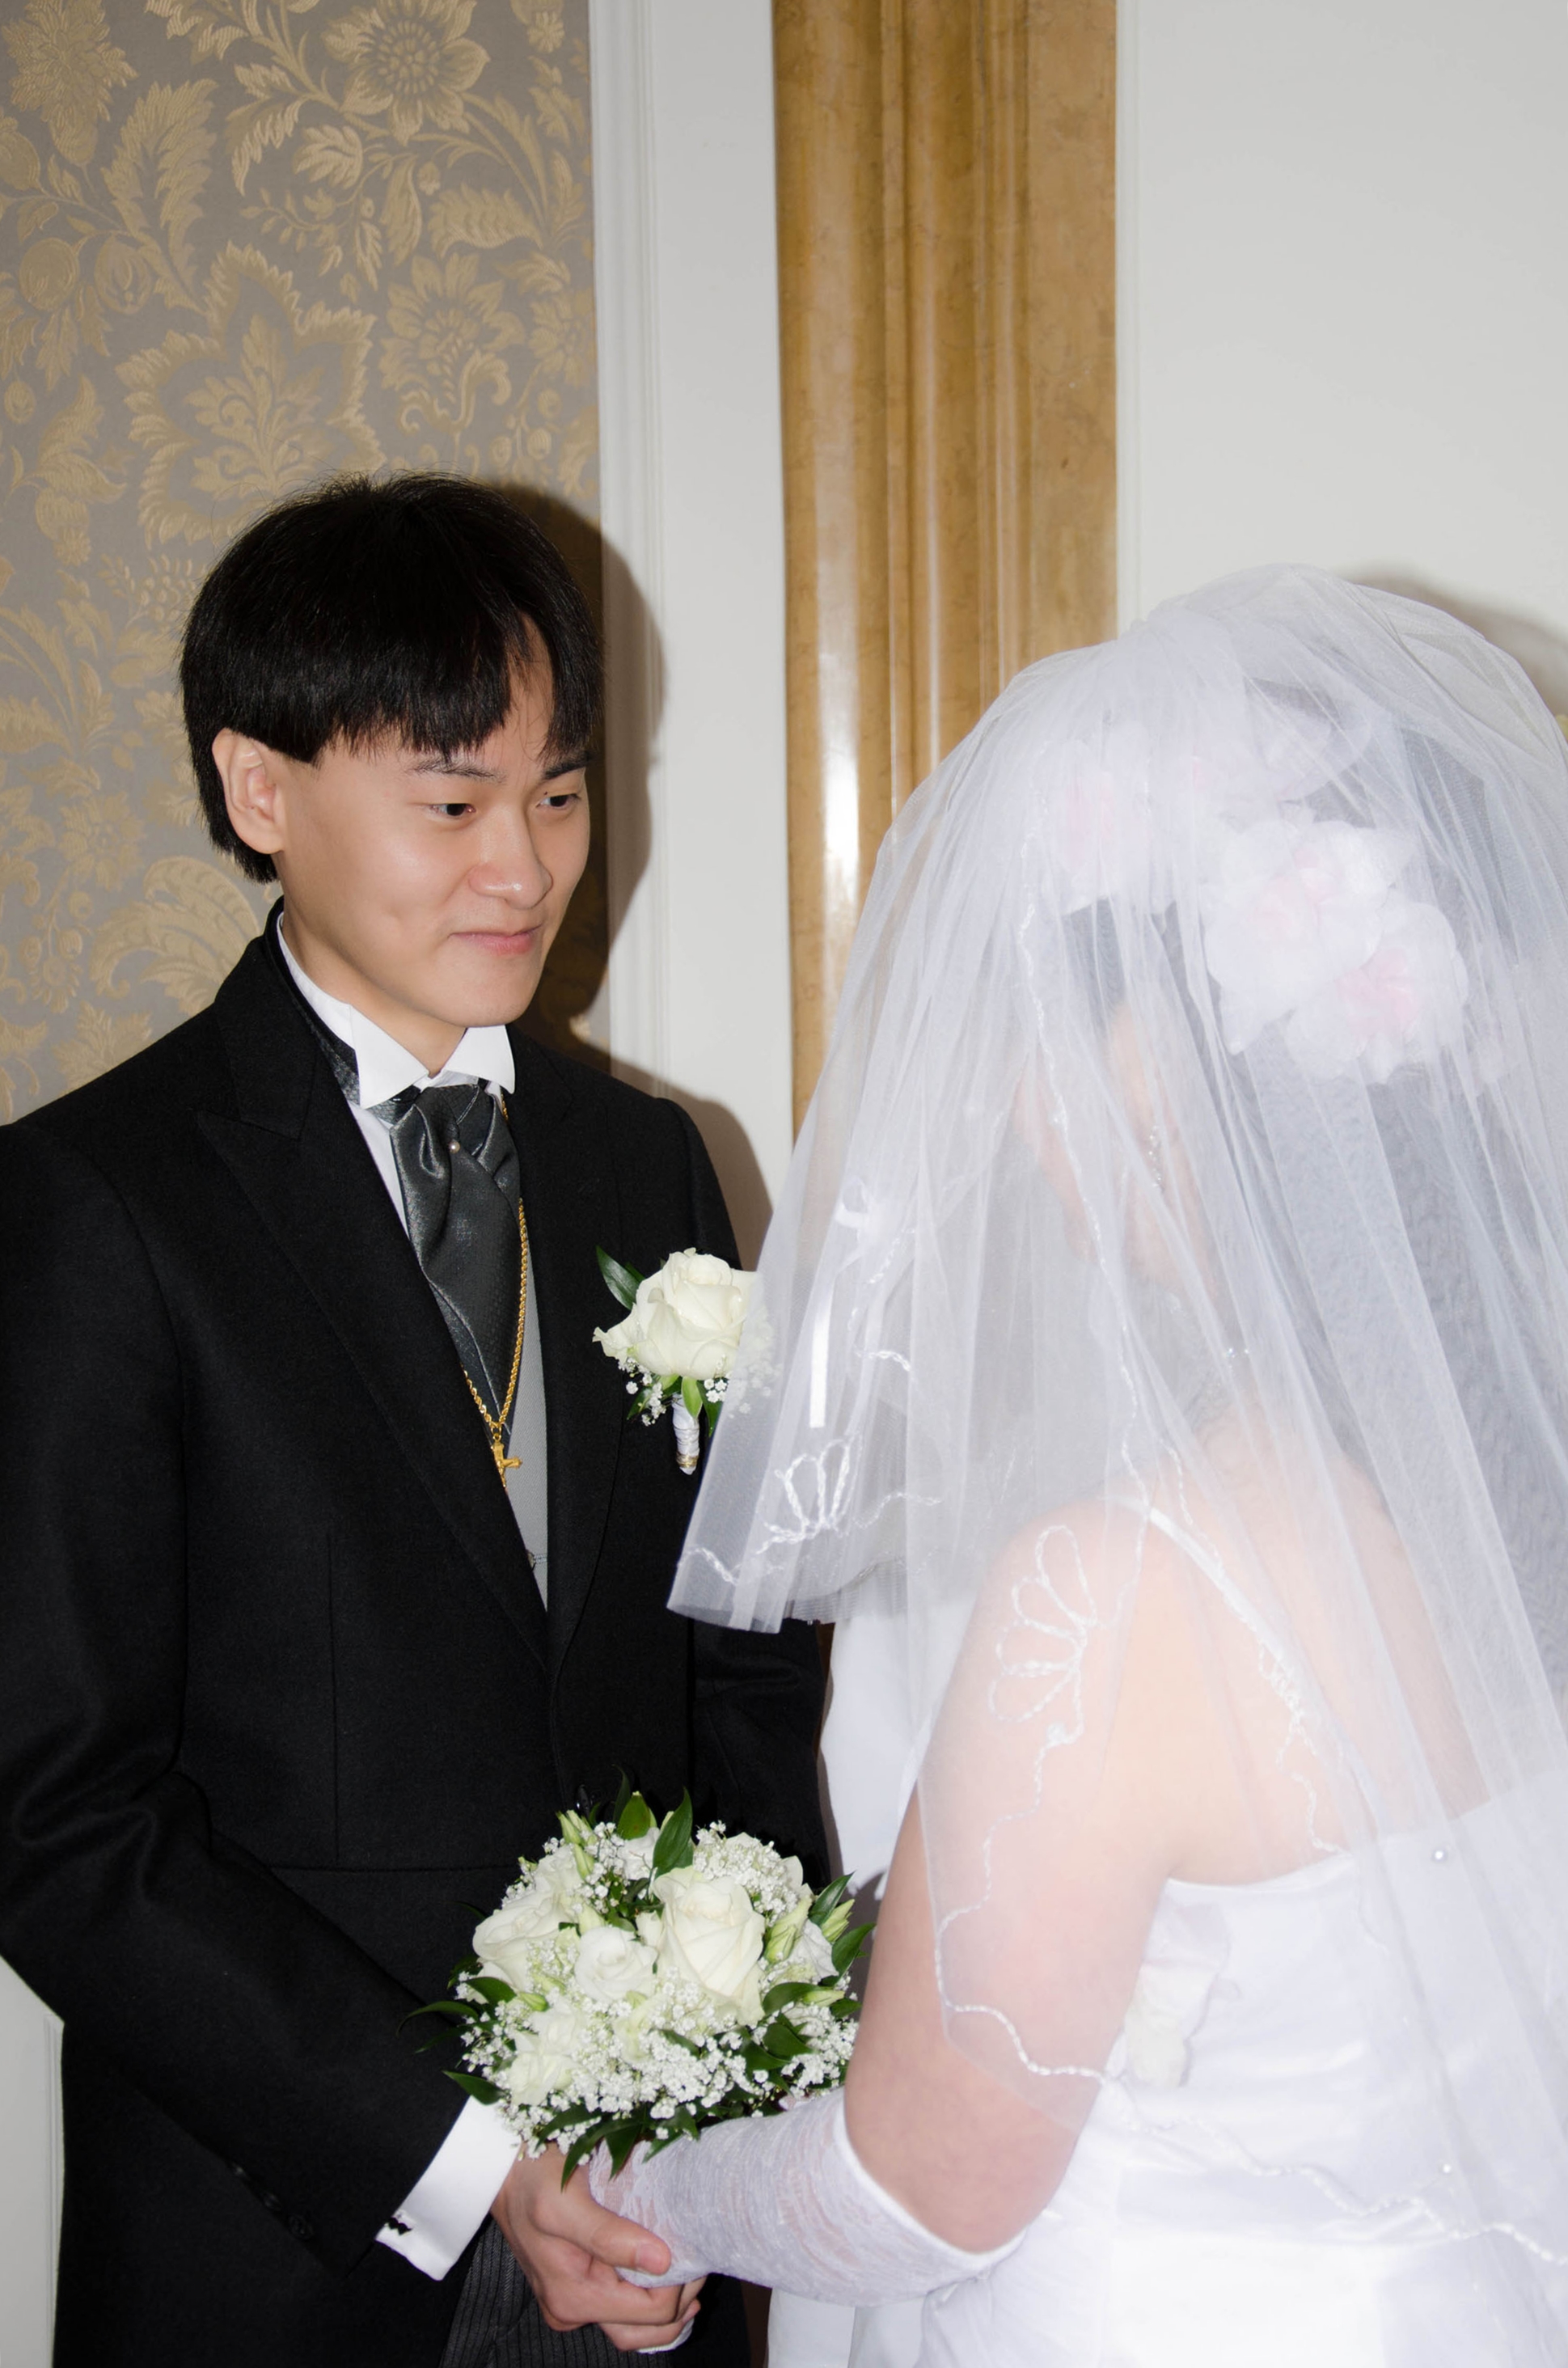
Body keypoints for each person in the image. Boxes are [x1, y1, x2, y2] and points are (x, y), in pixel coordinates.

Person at [577, 569, 1568, 2364]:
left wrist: (633, 2194)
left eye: (1040, 1039)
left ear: (1161, 1082)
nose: (1017, 1112)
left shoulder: (1125, 1592)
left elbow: (920, 2187)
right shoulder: (1519, 1478)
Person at [0, 473, 826, 2368]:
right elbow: (54, 1816)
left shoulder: (649, 1165)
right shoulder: (96, 1202)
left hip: (660, 2223)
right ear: (259, 790)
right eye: (453, 804)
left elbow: (740, 1657)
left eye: (560, 793)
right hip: (279, 2244)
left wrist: (727, 2081)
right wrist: (465, 2158)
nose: (523, 868)